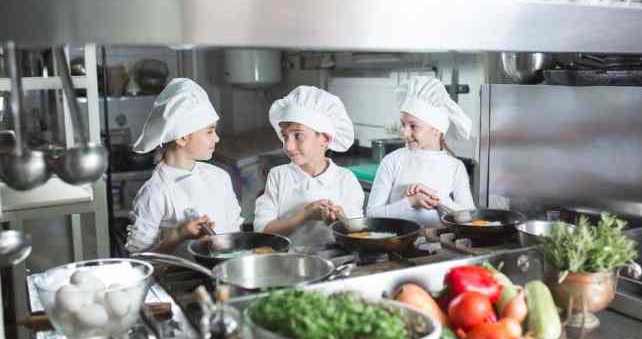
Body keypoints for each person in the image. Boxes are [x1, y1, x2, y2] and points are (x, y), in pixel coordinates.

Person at [125, 78, 242, 255]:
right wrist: (179, 235)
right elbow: (140, 262)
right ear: (181, 138)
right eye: (209, 131)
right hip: (178, 280)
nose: (217, 138)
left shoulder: (220, 177)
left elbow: (235, 234)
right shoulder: (155, 192)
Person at [254, 86, 364, 247]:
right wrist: (305, 215)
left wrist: (341, 220)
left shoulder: (345, 179)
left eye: (298, 135)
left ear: (325, 139)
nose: (288, 146)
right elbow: (262, 231)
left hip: (338, 261)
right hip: (287, 263)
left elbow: (359, 234)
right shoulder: (278, 176)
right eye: (284, 136)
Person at [366, 76, 475, 228]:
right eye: (403, 124)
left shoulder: (455, 167)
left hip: (440, 246)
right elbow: (372, 214)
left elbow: (467, 217)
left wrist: (436, 196)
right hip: (395, 243)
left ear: (436, 129)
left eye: (413, 126)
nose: (404, 133)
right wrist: (410, 202)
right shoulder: (392, 161)